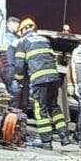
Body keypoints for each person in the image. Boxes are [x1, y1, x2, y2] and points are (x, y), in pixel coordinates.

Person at [14, 18, 70, 150]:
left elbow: (19, 65)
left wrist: (18, 79)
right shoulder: (45, 40)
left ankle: (46, 141)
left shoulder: (23, 42)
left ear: (22, 30)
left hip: (39, 79)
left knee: (40, 109)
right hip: (53, 77)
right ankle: (64, 136)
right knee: (54, 106)